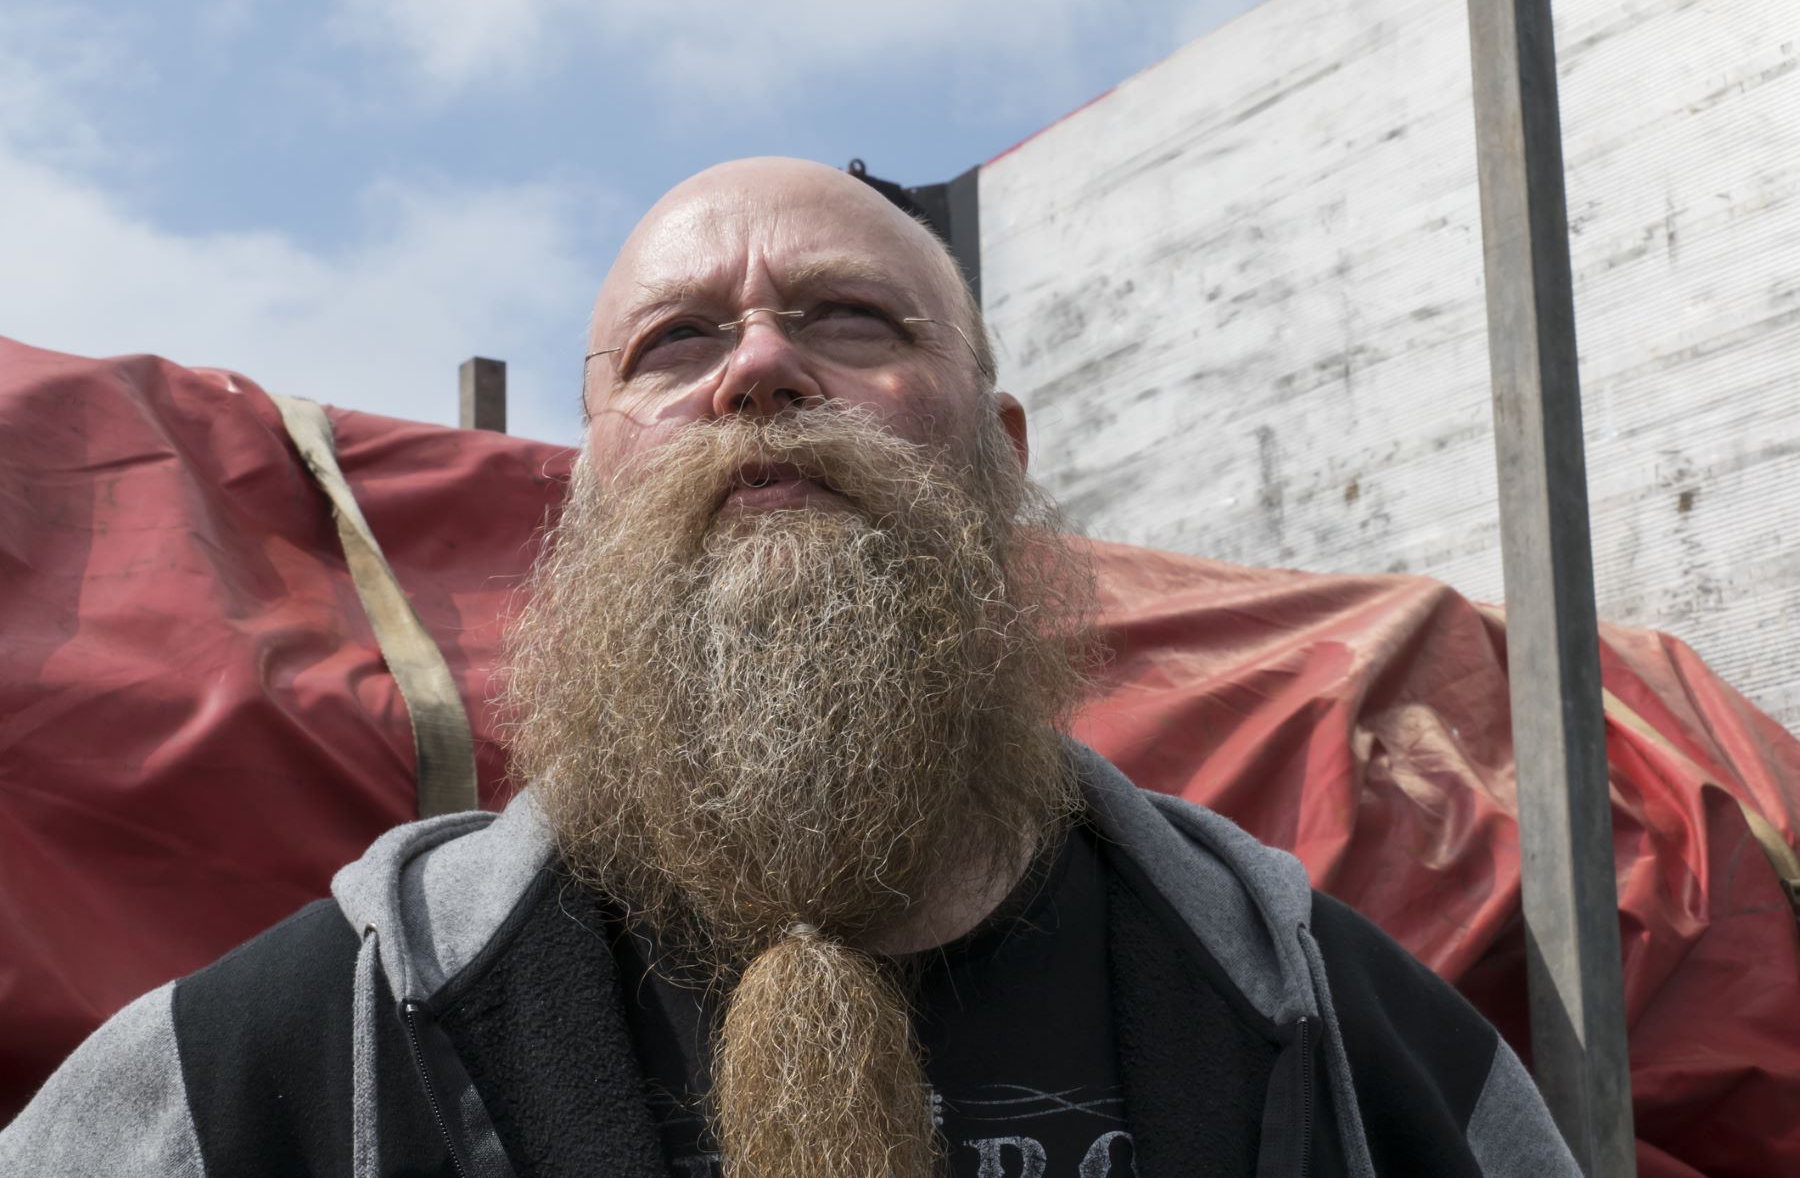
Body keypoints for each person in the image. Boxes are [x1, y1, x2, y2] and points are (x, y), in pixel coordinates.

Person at [0, 157, 1578, 1177]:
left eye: (849, 318)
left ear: (998, 456)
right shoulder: (279, 1063)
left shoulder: (1353, 1044)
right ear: (592, 480)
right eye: (677, 344)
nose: (761, 365)